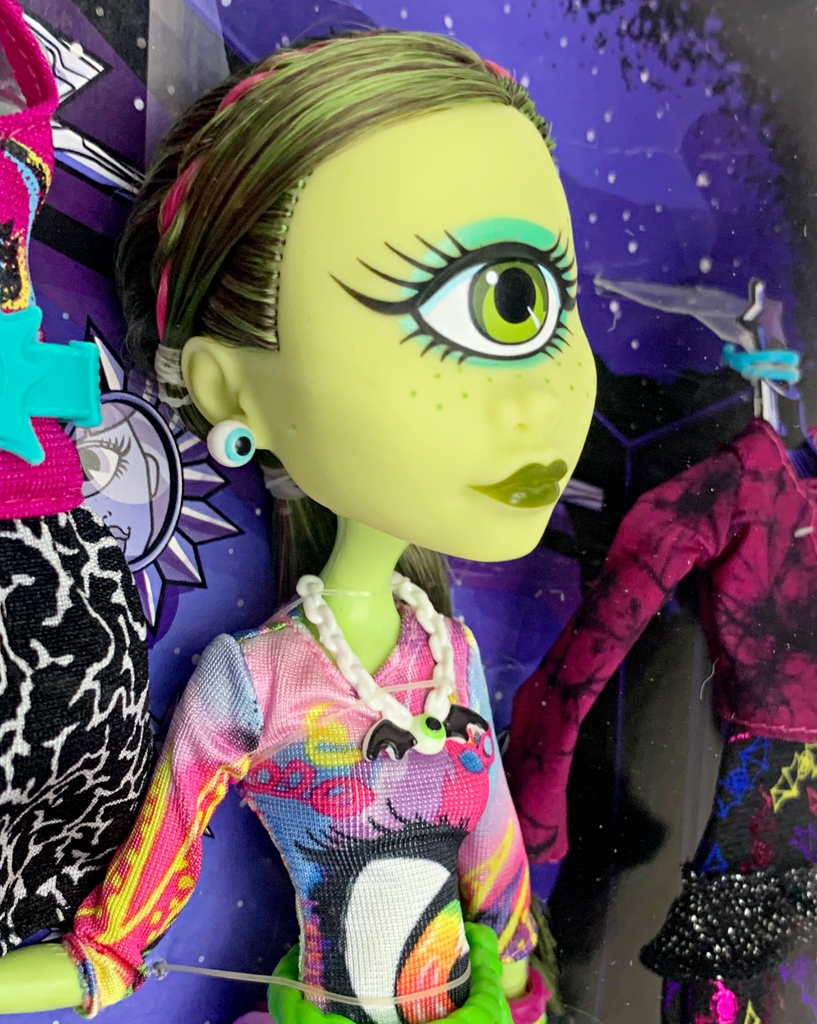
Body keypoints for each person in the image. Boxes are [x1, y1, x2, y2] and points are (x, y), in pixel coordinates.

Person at [0, 30, 596, 1023]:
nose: (548, 398)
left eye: (546, 301)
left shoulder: (448, 655)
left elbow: (504, 901)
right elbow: (114, 948)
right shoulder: (255, 684)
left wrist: (526, 988)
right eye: (492, 305)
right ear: (232, 391)